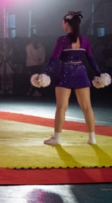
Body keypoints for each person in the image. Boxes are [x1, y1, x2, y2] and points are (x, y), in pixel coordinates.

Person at [38, 11, 103, 146]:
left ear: (66, 23)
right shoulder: (85, 40)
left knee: (61, 107)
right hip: (80, 72)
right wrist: (99, 74)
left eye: (63, 22)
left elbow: (54, 59)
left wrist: (45, 74)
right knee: (87, 107)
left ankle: (56, 138)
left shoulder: (62, 40)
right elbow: (92, 60)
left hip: (65, 72)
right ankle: (92, 138)